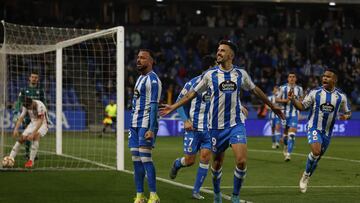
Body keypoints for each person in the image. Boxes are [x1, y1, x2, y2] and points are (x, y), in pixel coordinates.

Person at [160, 40, 284, 203]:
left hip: (235, 125)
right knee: (216, 164)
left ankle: (235, 196)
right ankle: (217, 193)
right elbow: (191, 95)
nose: (218, 52)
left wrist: (272, 105)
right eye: (218, 50)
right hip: (215, 128)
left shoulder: (241, 74)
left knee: (241, 160)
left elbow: (255, 90)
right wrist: (173, 107)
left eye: (222, 50)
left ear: (231, 55)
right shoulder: (210, 75)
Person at [288, 69, 351, 193]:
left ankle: (308, 176)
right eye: (323, 76)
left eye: (328, 77)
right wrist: (293, 100)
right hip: (314, 127)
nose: (325, 78)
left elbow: (348, 112)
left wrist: (345, 116)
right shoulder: (315, 93)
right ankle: (305, 176)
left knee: (317, 157)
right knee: (316, 151)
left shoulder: (341, 97)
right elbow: (302, 106)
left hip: (327, 133)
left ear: (334, 80)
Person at [169, 55, 215, 200]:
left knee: (206, 157)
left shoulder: (217, 84)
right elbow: (179, 103)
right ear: (209, 68)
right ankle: (177, 164)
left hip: (209, 130)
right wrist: (185, 120)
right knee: (189, 161)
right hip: (193, 129)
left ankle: (196, 191)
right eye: (215, 66)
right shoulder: (192, 83)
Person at [129, 49, 162, 203]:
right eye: (138, 58)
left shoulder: (153, 80)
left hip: (145, 124)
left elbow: (154, 107)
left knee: (145, 158)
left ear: (150, 61)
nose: (139, 60)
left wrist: (151, 128)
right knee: (136, 160)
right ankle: (140, 195)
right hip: (134, 124)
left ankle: (154, 196)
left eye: (142, 58)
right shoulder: (140, 78)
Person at [13, 70, 46, 160]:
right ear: (29, 78)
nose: (34, 79)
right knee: (26, 134)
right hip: (27, 115)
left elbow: (44, 103)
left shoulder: (40, 90)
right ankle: (28, 153)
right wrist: (16, 112)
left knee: (35, 134)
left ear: (38, 79)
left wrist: (46, 114)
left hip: (36, 115)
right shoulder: (24, 90)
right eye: (32, 77)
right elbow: (19, 101)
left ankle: (32, 153)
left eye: (36, 77)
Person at [9, 97, 48, 168]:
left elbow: (40, 121)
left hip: (43, 124)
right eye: (27, 108)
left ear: (32, 102)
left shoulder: (40, 106)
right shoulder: (26, 106)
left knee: (36, 136)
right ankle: (10, 158)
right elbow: (21, 118)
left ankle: (31, 161)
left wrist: (33, 133)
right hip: (33, 123)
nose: (29, 109)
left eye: (29, 107)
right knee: (21, 138)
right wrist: (16, 129)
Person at [276, 72, 303, 161]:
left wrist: (296, 101)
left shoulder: (299, 89)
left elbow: (301, 101)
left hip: (294, 114)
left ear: (296, 79)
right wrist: (286, 100)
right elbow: (277, 99)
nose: (291, 78)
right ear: (288, 78)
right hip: (284, 114)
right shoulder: (282, 88)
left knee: (291, 135)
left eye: (293, 77)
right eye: (290, 77)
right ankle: (286, 145)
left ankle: (288, 154)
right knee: (285, 135)